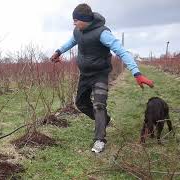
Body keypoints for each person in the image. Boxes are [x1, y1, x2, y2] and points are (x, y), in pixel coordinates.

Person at [50, 3, 154, 153]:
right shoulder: (78, 31)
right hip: (85, 74)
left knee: (99, 105)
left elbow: (122, 52)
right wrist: (59, 51)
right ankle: (105, 120)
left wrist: (137, 73)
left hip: (100, 74)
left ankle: (99, 139)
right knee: (81, 103)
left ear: (85, 20)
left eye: (76, 20)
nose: (73, 23)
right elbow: (72, 41)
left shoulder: (102, 33)